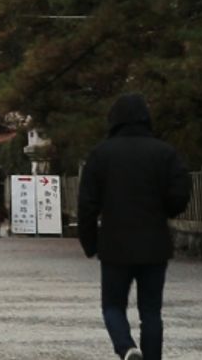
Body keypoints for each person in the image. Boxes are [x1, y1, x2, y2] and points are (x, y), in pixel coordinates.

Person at [78, 94, 191, 360]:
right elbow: (180, 194)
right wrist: (166, 209)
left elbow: (87, 204)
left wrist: (89, 242)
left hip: (115, 244)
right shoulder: (164, 152)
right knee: (151, 312)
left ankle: (126, 347)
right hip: (155, 243)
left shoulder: (101, 154)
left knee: (112, 306)